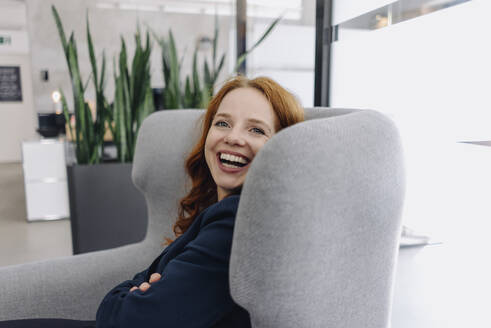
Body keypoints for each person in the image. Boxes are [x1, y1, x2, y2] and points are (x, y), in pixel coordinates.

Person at [0, 76, 304, 328]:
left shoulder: (235, 224)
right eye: (223, 123)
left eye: (256, 129)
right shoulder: (223, 212)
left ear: (281, 147)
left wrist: (123, 296)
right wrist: (140, 291)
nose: (234, 137)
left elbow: (132, 320)